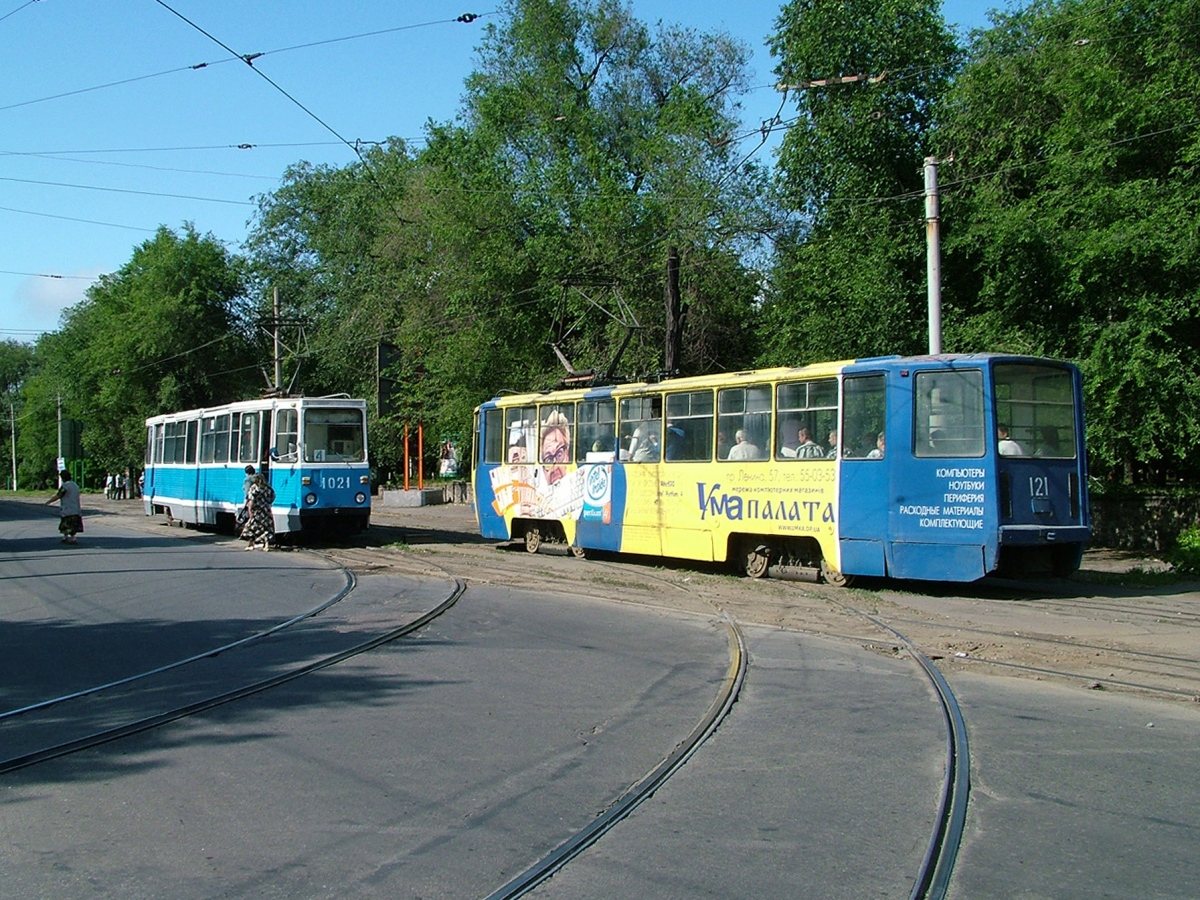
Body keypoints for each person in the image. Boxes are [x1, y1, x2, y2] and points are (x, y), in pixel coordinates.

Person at [45, 470, 83, 544]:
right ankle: (68, 538)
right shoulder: (75, 485)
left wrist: (49, 502)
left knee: (67, 523)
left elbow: (59, 495)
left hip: (67, 508)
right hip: (75, 507)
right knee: (73, 523)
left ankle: (71, 538)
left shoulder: (65, 486)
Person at [241, 473, 276, 551]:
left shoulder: (254, 488)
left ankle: (251, 544)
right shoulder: (269, 488)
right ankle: (266, 545)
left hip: (257, 511)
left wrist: (250, 510)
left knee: (251, 527)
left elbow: (251, 500)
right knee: (266, 528)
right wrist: (267, 504)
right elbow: (273, 497)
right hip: (266, 511)